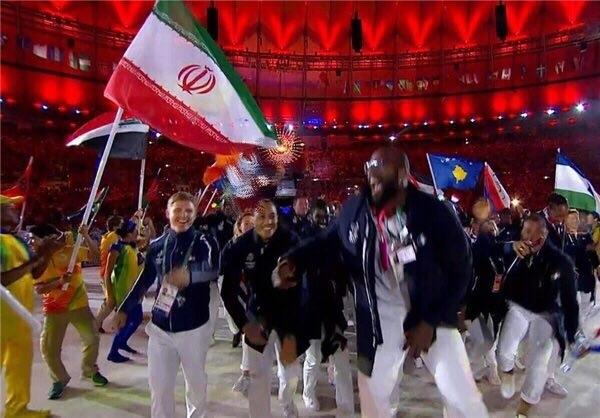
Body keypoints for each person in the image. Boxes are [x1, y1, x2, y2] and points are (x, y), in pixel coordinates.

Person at [275, 147, 488, 418]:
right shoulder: (355, 210)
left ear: (402, 174)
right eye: (370, 166)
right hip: (380, 318)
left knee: (463, 397)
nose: (372, 172)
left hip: (430, 312)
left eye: (381, 166)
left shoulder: (434, 212)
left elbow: (461, 269)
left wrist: (430, 320)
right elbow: (326, 242)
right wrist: (294, 260)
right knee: (375, 397)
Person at [113, 192, 219, 418]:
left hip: (193, 329)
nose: (183, 215)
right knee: (159, 389)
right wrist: (124, 308)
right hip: (160, 328)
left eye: (189, 211)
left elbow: (213, 270)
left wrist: (190, 276)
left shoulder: (204, 242)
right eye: (178, 210)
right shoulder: (157, 245)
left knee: (195, 385)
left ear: (195, 214)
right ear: (167, 212)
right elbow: (144, 280)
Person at [220, 199, 302, 418]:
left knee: (291, 373)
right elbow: (227, 290)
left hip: (288, 319)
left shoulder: (290, 240)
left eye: (272, 216)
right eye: (262, 216)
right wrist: (244, 324)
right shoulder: (242, 245)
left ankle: (287, 404)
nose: (268, 222)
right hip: (257, 318)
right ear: (253, 219)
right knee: (258, 378)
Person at [497, 214, 580, 418]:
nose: (525, 235)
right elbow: (492, 248)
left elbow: (570, 302)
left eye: (530, 231)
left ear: (543, 234)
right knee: (504, 351)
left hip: (546, 313)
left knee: (539, 360)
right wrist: (511, 249)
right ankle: (508, 373)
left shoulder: (561, 262)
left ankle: (524, 411)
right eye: (524, 230)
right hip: (518, 307)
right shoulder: (516, 251)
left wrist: (572, 335)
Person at [31, 223, 108, 400]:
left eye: (34, 239)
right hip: (54, 308)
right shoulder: (38, 259)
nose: (32, 243)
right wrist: (59, 282)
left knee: (92, 338)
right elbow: (39, 289)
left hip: (78, 304)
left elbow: (96, 257)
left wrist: (86, 236)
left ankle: (89, 369)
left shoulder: (71, 250)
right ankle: (59, 379)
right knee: (49, 348)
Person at [0, 195, 61, 418]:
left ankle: (17, 410)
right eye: (9, 207)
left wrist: (47, 253)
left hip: (21, 317)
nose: (15, 210)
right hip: (2, 319)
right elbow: (2, 279)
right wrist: (36, 259)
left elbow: (34, 273)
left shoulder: (18, 240)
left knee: (19, 365)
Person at [298, 199, 354, 414]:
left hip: (332, 307)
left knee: (340, 357)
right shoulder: (304, 238)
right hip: (311, 307)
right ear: (310, 216)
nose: (322, 220)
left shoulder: (334, 240)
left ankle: (345, 404)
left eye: (325, 215)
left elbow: (343, 270)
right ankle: (308, 393)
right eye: (318, 215)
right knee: (313, 358)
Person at [464, 219, 506, 386]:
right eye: (488, 224)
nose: (493, 226)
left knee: (491, 337)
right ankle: (471, 368)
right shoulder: (477, 247)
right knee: (483, 339)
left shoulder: (498, 248)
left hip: (495, 301)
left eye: (494, 224)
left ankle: (486, 368)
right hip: (475, 301)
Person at [222, 211, 255, 395]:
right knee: (246, 334)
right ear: (239, 226)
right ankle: (246, 374)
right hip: (238, 295)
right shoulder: (232, 247)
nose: (250, 227)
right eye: (246, 223)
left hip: (256, 298)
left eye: (253, 223)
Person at [105, 220, 144, 362]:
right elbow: (107, 273)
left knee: (136, 318)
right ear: (128, 234)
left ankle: (122, 342)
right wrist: (110, 294)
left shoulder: (133, 247)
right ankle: (113, 351)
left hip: (134, 290)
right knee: (130, 319)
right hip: (123, 291)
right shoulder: (117, 248)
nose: (137, 233)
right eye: (135, 231)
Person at [564, 209, 598, 323]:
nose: (575, 220)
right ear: (565, 220)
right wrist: (584, 248)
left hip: (586, 278)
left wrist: (597, 266)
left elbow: (592, 253)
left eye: (577, 218)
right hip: (572, 280)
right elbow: (567, 252)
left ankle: (581, 328)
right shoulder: (563, 238)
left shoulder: (585, 236)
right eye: (572, 218)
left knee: (586, 307)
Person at [96, 214, 123, 333]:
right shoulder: (113, 236)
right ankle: (95, 323)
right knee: (110, 302)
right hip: (108, 274)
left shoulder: (108, 236)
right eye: (121, 224)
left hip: (108, 273)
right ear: (116, 227)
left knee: (112, 301)